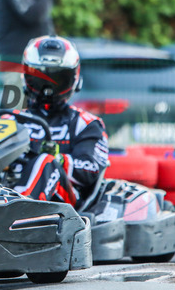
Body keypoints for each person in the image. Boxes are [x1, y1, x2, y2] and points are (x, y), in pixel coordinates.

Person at [8, 35, 108, 208]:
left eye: (58, 79)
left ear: (73, 79)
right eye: (40, 79)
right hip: (6, 190)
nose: (48, 88)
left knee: (46, 161)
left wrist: (58, 159)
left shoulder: (86, 124)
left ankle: (18, 208)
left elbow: (90, 170)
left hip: (66, 204)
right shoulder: (9, 119)